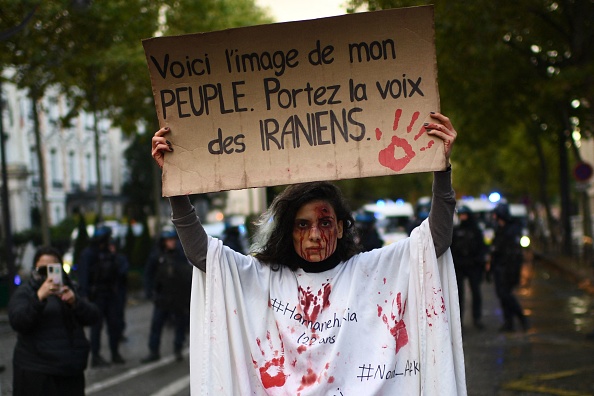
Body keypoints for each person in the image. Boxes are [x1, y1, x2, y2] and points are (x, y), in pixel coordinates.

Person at [151, 113, 467, 394]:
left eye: (325, 223)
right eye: (303, 225)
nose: (314, 235)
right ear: (289, 231)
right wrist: (176, 186)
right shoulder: (263, 280)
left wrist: (442, 169)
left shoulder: (370, 272)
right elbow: (203, 255)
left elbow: (433, 242)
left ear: (342, 228)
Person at [8, 246, 100, 396]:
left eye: (52, 268)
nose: (47, 274)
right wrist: (39, 298)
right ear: (34, 269)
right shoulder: (26, 291)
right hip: (38, 372)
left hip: (70, 372)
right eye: (42, 269)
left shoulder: (70, 288)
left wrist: (75, 302)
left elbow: (93, 316)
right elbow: (18, 321)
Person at [141, 229, 192, 363]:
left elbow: (187, 274)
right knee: (157, 325)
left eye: (173, 240)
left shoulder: (180, 255)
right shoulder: (157, 256)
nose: (172, 242)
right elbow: (148, 274)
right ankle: (154, 351)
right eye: (169, 240)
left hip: (178, 297)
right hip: (162, 297)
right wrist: (150, 292)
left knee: (180, 325)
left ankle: (178, 349)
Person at [78, 226, 126, 367]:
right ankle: (96, 356)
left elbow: (119, 271)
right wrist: (85, 295)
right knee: (96, 328)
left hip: (110, 294)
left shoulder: (109, 253)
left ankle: (115, 353)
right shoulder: (89, 254)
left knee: (114, 325)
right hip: (96, 296)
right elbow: (84, 275)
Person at [490, 202, 529, 332]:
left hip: (509, 267)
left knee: (506, 295)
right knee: (502, 295)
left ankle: (521, 318)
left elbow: (514, 251)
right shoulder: (499, 229)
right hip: (500, 266)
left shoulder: (512, 230)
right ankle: (509, 322)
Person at [451, 205, 488, 330]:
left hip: (473, 266)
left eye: (464, 215)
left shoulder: (476, 230)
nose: (462, 217)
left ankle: (476, 318)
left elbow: (482, 247)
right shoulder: (456, 230)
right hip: (460, 266)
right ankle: (459, 321)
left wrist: (479, 261)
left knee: (476, 293)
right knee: (459, 295)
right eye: (461, 215)